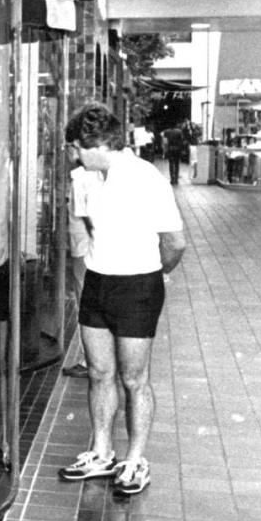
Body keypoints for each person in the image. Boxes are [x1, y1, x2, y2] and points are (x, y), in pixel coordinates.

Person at [58, 103, 185, 496]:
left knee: (134, 378)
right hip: (98, 283)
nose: (73, 155)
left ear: (98, 144)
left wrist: (155, 274)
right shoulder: (83, 178)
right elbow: (80, 228)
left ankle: (135, 460)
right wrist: (82, 271)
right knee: (98, 373)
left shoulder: (146, 178)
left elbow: (175, 242)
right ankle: (101, 452)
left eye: (77, 147)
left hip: (137, 287)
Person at [61, 155, 91, 378]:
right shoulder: (84, 177)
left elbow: (88, 219)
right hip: (83, 248)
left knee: (86, 304)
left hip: (85, 250)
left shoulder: (81, 178)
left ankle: (87, 359)